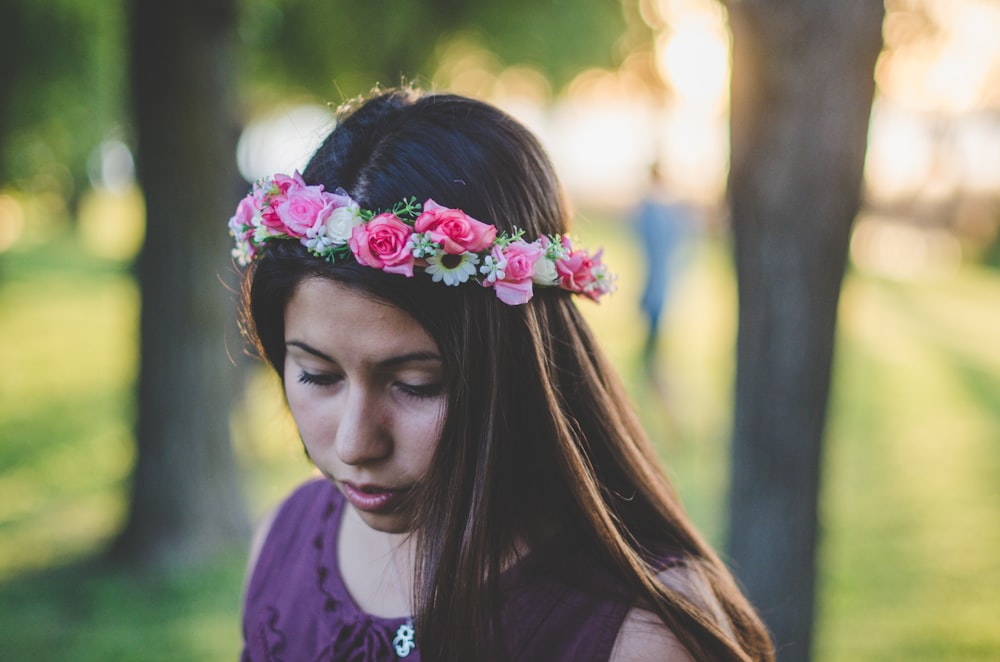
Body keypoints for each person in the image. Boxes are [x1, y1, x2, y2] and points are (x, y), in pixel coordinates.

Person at [231, 87, 773, 661]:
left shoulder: (638, 638)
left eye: (417, 385)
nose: (355, 443)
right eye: (318, 375)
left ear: (520, 365)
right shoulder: (283, 539)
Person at [632, 162, 696, 377]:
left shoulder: (653, 209)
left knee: (654, 320)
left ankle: (650, 363)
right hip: (657, 277)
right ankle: (650, 365)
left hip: (658, 277)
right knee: (653, 319)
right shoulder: (661, 210)